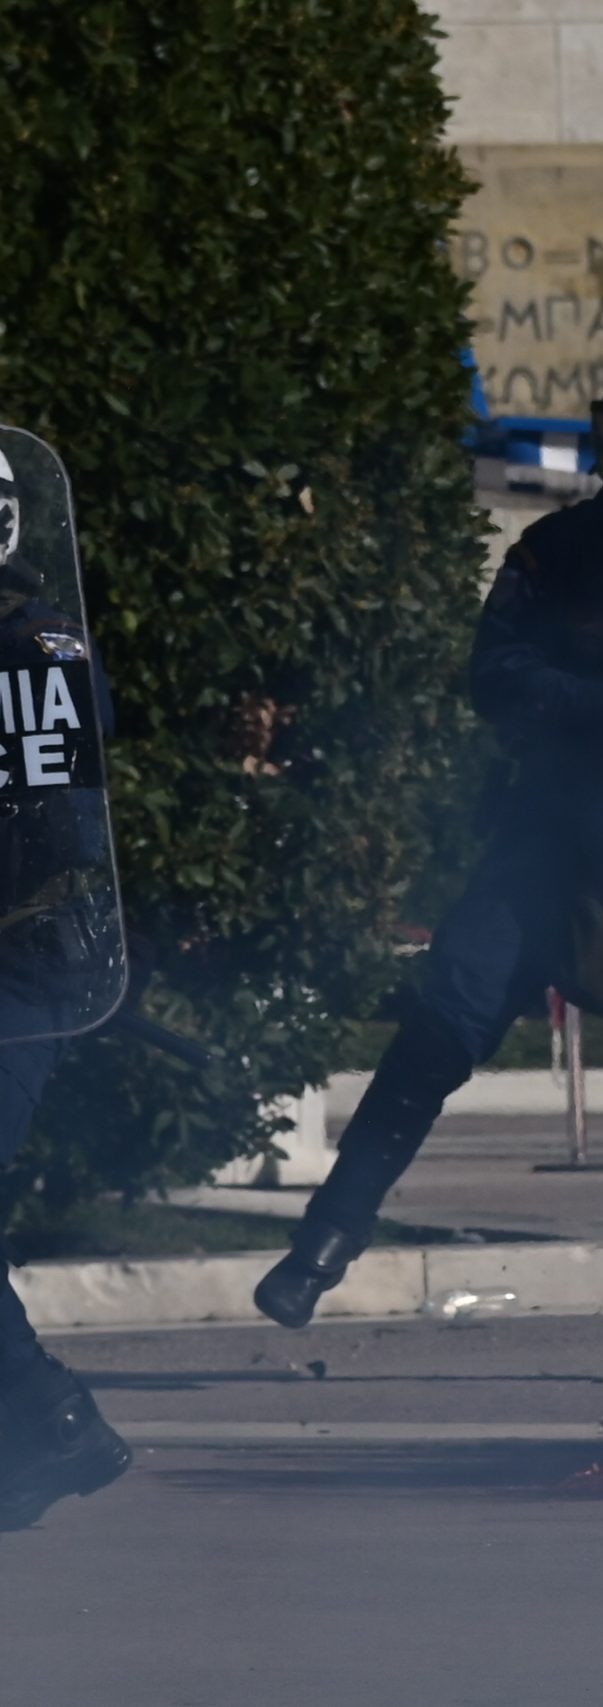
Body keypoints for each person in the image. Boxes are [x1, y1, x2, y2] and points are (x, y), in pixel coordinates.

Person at [254, 346, 603, 1328]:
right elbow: (497, 678)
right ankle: (326, 1240)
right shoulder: (553, 554)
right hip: (553, 846)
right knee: (443, 1025)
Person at [0, 442, 131, 1527]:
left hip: (22, 969)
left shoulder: (36, 651)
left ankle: (55, 1420)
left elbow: (55, 821)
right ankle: (38, 1441)